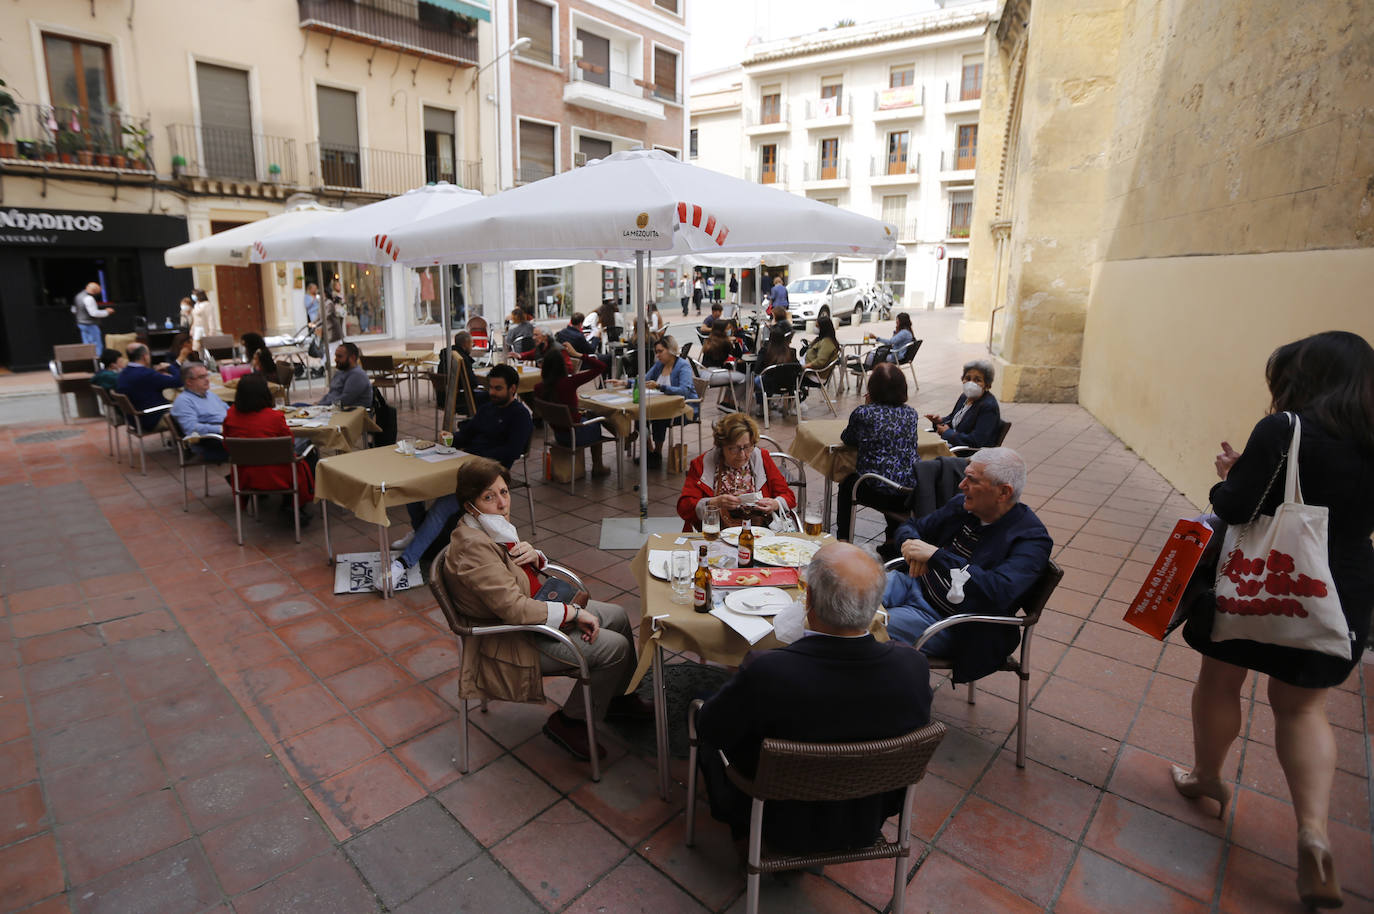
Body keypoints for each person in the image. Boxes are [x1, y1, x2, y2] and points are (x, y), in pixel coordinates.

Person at [1173, 332, 1374, 910]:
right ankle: (1313, 832)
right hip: (1340, 590)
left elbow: (1236, 505)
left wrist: (1228, 474)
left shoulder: (1286, 428)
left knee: (1219, 680)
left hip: (1262, 579)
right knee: (1304, 707)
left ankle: (1207, 775)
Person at [696, 543, 933, 853]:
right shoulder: (912, 667)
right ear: (876, 605)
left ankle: (743, 838)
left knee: (705, 707)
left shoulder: (768, 671)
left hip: (772, 818)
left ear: (808, 599)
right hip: (862, 820)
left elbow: (711, 729)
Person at [440, 458, 648, 760]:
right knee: (614, 648)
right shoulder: (473, 547)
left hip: (534, 612)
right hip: (513, 637)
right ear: (470, 505)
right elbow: (513, 609)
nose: (502, 503)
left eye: (504, 492)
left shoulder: (489, 528)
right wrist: (575, 614)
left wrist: (534, 556)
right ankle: (569, 721)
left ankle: (618, 698)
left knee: (616, 616)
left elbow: (510, 577)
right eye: (489, 496)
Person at [883, 448, 1051, 676]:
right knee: (839, 595)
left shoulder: (1031, 539)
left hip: (951, 623)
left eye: (972, 480)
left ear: (1003, 492)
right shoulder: (964, 506)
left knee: (859, 622)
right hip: (913, 582)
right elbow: (912, 527)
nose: (961, 485)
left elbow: (998, 591)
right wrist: (910, 544)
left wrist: (936, 556)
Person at [390, 364, 534, 581]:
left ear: (513, 389)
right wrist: (452, 438)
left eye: (498, 389)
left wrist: (475, 456)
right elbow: (468, 434)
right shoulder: (487, 408)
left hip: (489, 477)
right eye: (490, 388)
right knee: (413, 487)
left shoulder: (521, 416)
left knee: (442, 507)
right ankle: (419, 533)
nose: (492, 393)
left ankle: (404, 562)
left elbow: (511, 452)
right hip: (463, 465)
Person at [835, 363, 923, 553]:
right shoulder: (911, 414)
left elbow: (848, 438)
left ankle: (843, 540)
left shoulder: (864, 413)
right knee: (895, 474)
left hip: (877, 491)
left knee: (848, 483)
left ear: (872, 388)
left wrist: (867, 408)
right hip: (909, 493)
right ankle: (892, 540)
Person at [677, 413, 796, 531]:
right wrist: (713, 503)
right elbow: (684, 507)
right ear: (722, 446)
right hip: (716, 534)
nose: (742, 455)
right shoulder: (703, 463)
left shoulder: (761, 458)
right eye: (734, 448)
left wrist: (775, 503)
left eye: (748, 447)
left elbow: (789, 496)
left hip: (760, 534)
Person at [223, 374, 314, 518]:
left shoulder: (231, 417)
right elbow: (289, 445)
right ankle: (294, 503)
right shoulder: (274, 417)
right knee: (309, 448)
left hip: (245, 474)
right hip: (279, 475)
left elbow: (228, 446)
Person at [609, 335, 696, 467]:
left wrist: (660, 386)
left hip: (683, 408)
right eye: (656, 352)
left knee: (659, 416)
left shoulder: (683, 367)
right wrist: (624, 382)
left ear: (671, 350)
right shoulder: (659, 365)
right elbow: (644, 380)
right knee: (640, 414)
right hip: (662, 404)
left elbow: (684, 391)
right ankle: (649, 450)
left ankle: (657, 452)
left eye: (661, 351)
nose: (658, 355)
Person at [535, 349, 611, 478]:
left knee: (591, 415)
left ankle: (624, 438)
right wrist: (579, 354)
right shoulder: (569, 383)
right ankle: (598, 466)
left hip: (559, 435)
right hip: (575, 434)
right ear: (562, 366)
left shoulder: (539, 388)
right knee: (597, 419)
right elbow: (601, 366)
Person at [925, 359, 1002, 449]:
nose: (971, 383)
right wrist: (939, 421)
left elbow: (976, 441)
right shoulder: (964, 397)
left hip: (965, 453)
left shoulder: (988, 407)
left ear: (987, 385)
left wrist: (948, 433)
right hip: (952, 446)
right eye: (968, 379)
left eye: (977, 380)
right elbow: (953, 419)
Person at [170, 362, 229, 462]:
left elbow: (229, 411)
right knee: (253, 445)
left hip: (226, 433)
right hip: (210, 440)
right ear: (189, 382)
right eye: (202, 377)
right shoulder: (183, 401)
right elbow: (191, 428)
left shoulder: (210, 395)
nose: (207, 379)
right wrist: (220, 428)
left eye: (207, 375)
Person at [116, 343, 182, 430]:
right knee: (189, 408)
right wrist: (170, 367)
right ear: (145, 357)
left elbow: (145, 383)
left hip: (134, 420)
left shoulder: (123, 373)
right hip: (152, 419)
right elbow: (180, 381)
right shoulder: (147, 375)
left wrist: (155, 373)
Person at [317, 342, 372, 408]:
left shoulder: (357, 375)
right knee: (301, 406)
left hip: (349, 414)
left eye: (339, 356)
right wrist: (319, 404)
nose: (336, 359)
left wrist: (322, 405)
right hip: (331, 409)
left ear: (352, 358)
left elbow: (345, 400)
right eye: (336, 356)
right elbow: (331, 394)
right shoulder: (340, 372)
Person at [73, 281, 114, 348]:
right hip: (90, 324)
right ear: (95, 291)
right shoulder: (89, 298)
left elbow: (73, 310)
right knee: (96, 344)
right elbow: (93, 313)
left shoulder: (78, 296)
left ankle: (90, 358)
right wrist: (107, 312)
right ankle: (97, 358)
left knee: (87, 345)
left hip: (81, 323)